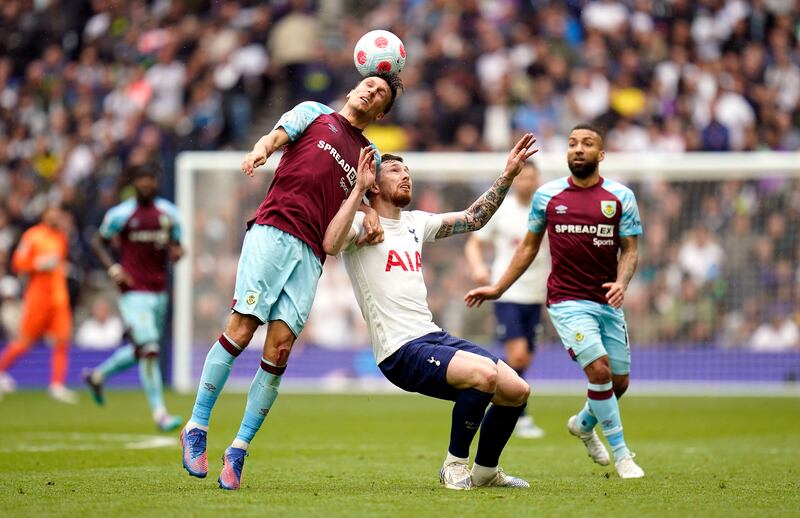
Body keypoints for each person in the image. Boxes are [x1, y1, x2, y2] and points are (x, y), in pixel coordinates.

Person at [181, 72, 403, 490]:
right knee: (242, 327)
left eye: (381, 94)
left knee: (279, 349)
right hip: (273, 230)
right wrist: (260, 151)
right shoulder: (313, 113)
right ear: (354, 88)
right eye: (369, 85)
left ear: (381, 112)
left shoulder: (369, 153)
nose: (371, 92)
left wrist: (372, 212)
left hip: (312, 254)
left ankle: (239, 450)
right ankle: (196, 426)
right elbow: (273, 138)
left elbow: (374, 201)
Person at [324, 134, 538, 490]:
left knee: (516, 389)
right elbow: (330, 244)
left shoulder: (416, 222)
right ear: (372, 182)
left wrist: (508, 175)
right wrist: (359, 199)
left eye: (407, 170)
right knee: (484, 376)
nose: (405, 174)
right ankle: (454, 465)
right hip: (399, 350)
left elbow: (474, 219)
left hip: (431, 335)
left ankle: (486, 471)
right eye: (394, 169)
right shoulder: (362, 225)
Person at [465, 124, 645, 479]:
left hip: (607, 301)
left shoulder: (620, 197)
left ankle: (582, 423)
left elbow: (631, 249)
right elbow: (528, 247)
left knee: (618, 383)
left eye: (587, 143)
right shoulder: (548, 196)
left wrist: (622, 282)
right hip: (566, 301)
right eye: (573, 143)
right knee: (599, 372)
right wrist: (499, 287)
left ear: (601, 155)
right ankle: (623, 454)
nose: (578, 149)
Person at [83, 163, 184, 432]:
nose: (146, 184)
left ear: (156, 181)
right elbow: (97, 242)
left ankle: (97, 376)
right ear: (134, 183)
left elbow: (177, 245)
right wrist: (114, 268)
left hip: (159, 291)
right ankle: (160, 413)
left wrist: (177, 252)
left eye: (150, 178)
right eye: (141, 179)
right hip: (132, 292)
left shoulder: (169, 214)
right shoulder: (121, 214)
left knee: (142, 350)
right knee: (150, 347)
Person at [464, 162, 550, 439]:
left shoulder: (546, 210)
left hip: (536, 295)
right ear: (516, 180)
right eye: (522, 176)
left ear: (538, 180)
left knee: (526, 356)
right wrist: (478, 267)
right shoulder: (503, 211)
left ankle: (489, 379)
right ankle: (518, 412)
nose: (526, 182)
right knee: (519, 354)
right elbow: (474, 243)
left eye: (531, 177)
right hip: (508, 291)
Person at [0, 205, 77, 404]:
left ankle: (57, 385)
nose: (55, 216)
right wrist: (38, 264)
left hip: (59, 298)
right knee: (24, 342)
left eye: (57, 213)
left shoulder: (61, 237)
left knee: (62, 340)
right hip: (38, 299)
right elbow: (18, 263)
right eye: (51, 213)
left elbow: (60, 263)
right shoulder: (32, 236)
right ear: (43, 215)